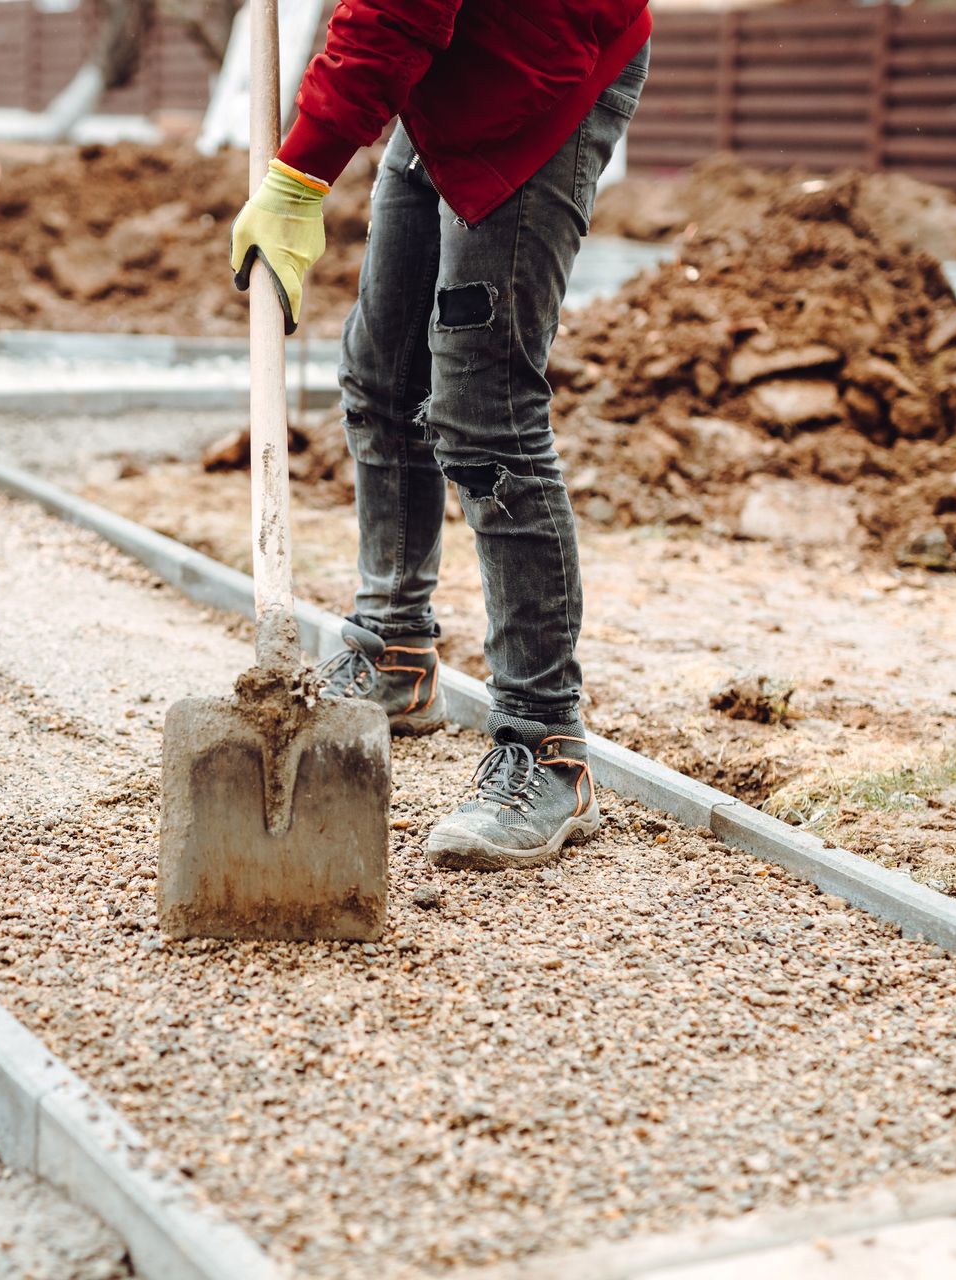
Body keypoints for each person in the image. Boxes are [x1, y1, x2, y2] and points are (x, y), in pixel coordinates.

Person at [229, 0, 651, 871]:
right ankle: (393, 650)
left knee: (483, 417)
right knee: (381, 378)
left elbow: (394, 11)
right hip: (457, 62)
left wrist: (301, 177)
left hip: (538, 74)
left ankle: (547, 747)